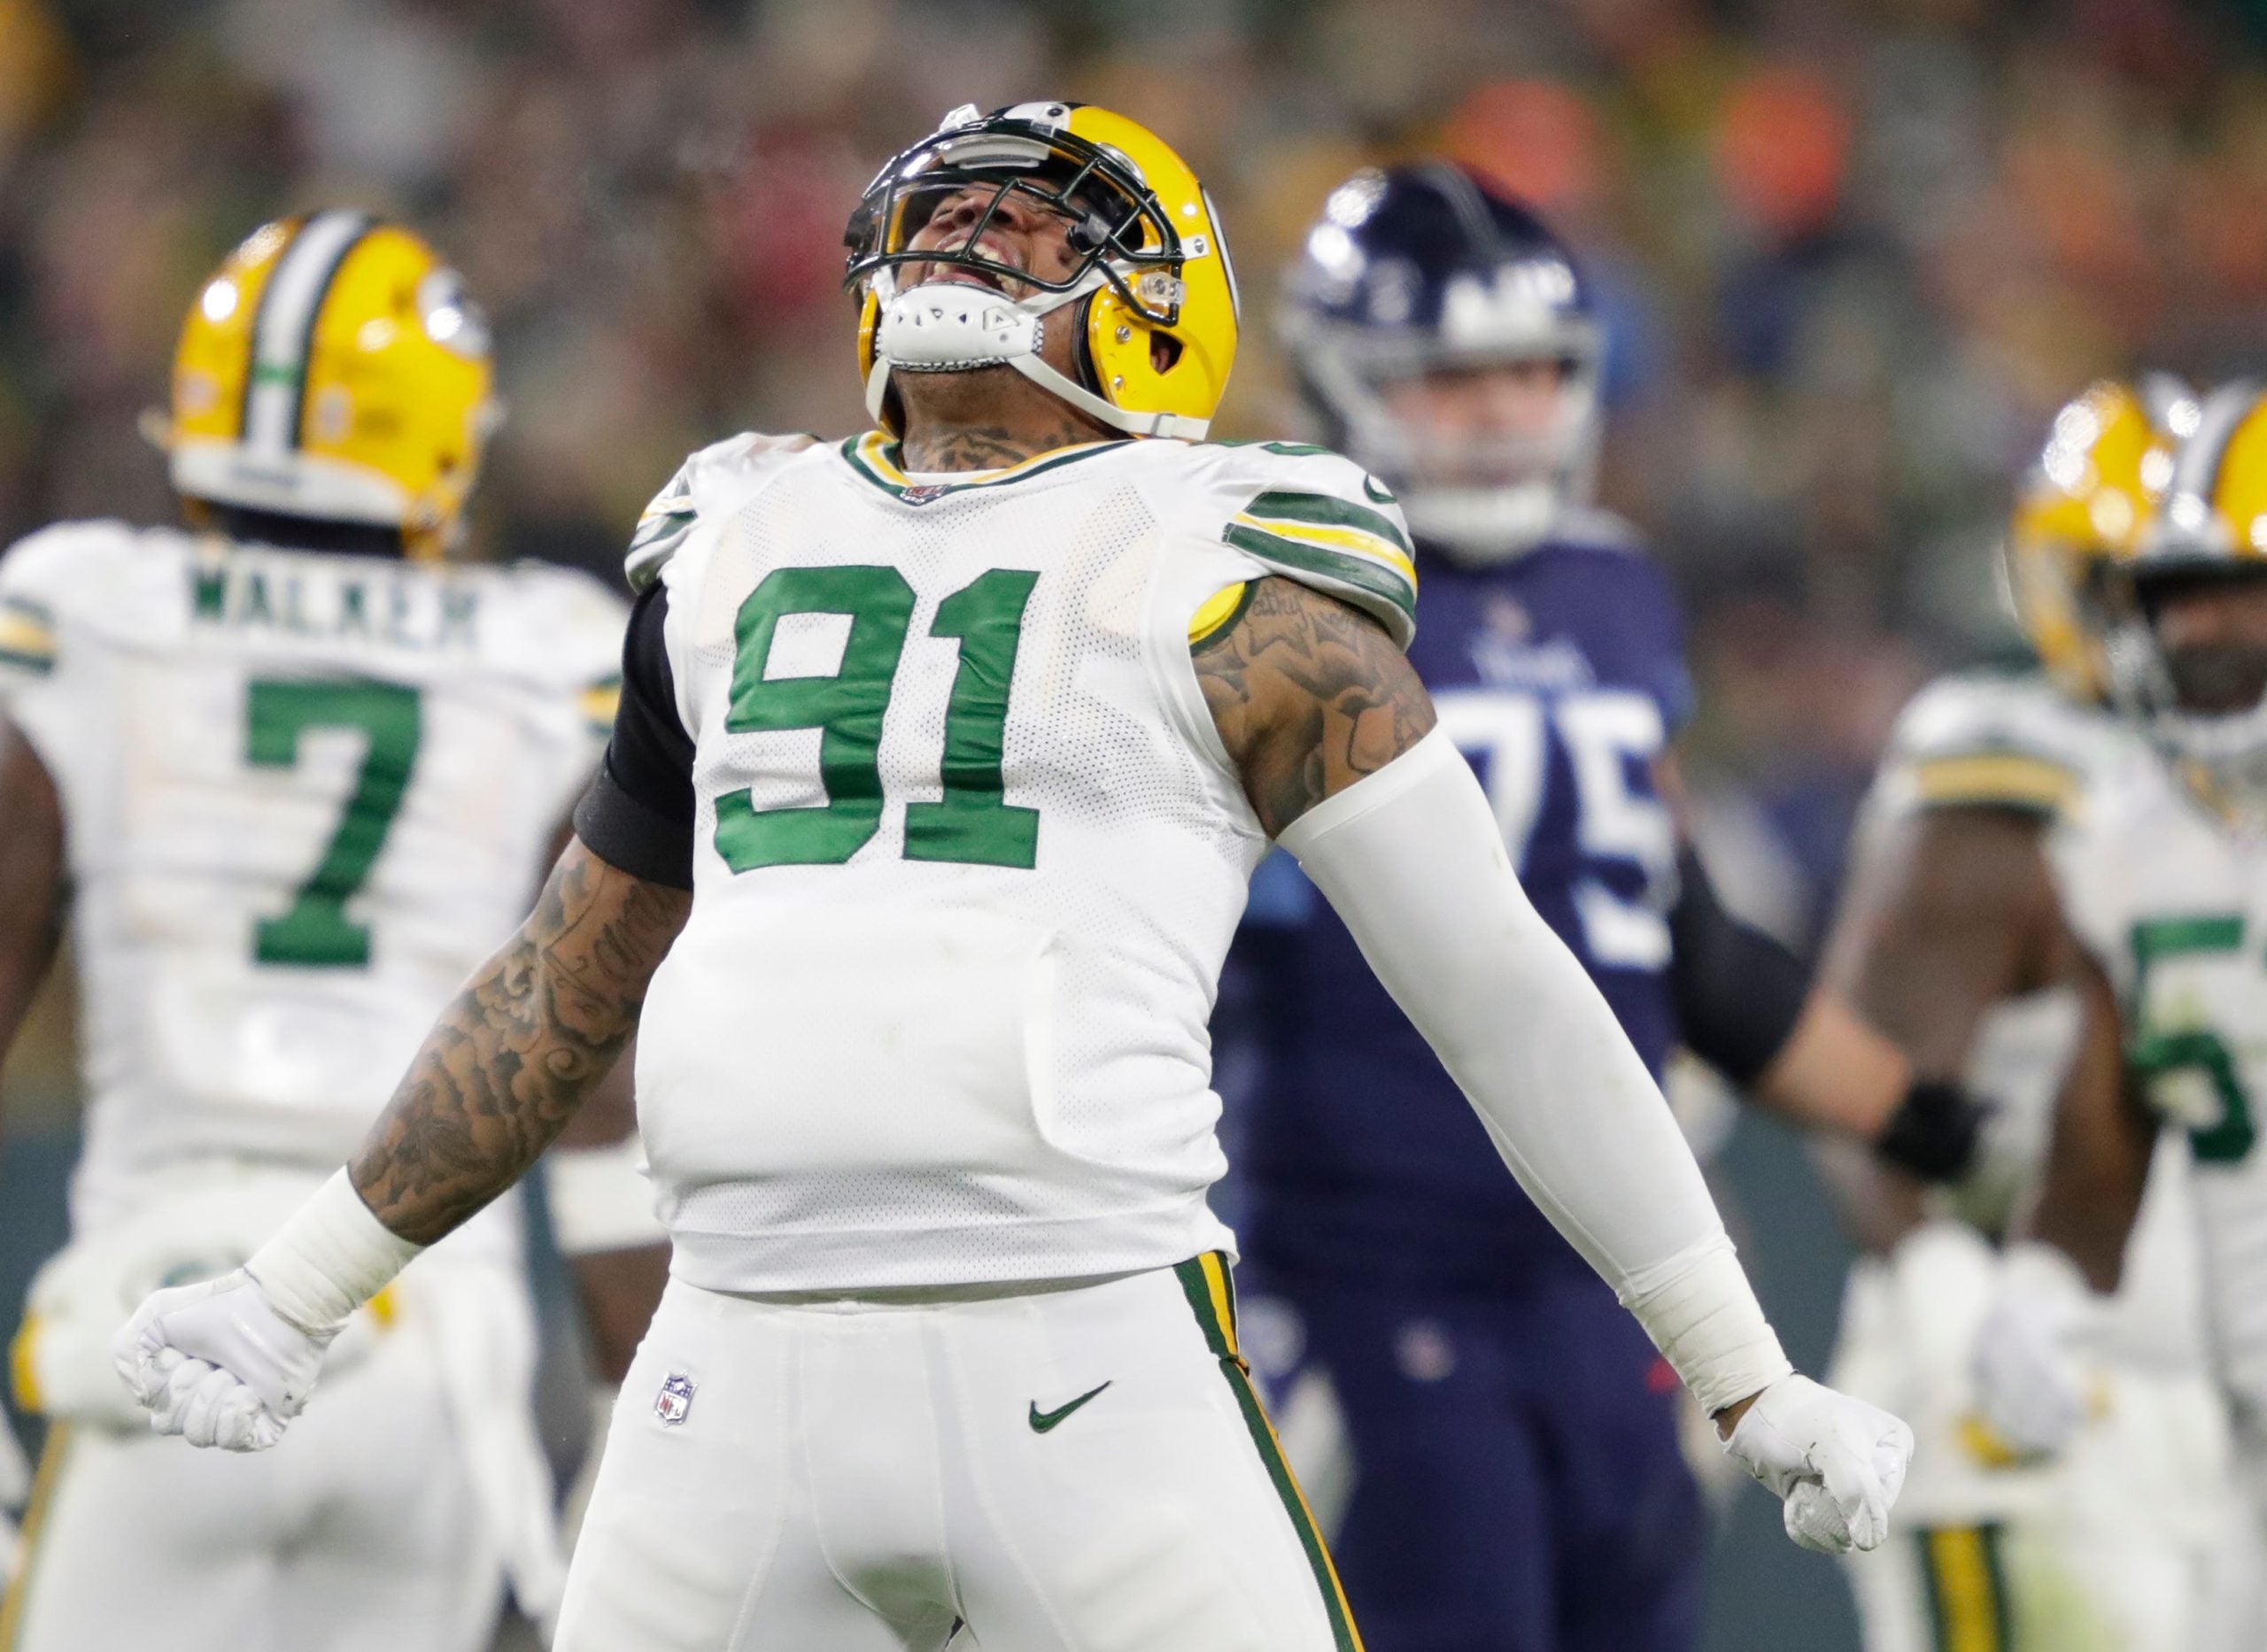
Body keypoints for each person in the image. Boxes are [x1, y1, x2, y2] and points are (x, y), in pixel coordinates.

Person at [112, 104, 1912, 1652]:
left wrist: (1740, 1369)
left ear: (1159, 312)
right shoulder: (733, 539)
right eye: (944, 206)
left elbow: (1507, 994)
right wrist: (294, 1289)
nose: (967, 233)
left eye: (1031, 216)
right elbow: (563, 980)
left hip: (1091, 1342)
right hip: (727, 1356)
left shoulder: (1243, 567)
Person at [1220, 161, 1970, 1652]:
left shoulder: (1616, 592)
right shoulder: (1272, 593)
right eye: (1450, 380)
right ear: (1344, 379)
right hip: (1367, 1270)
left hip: (1613, 1279)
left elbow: (1672, 934)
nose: (1500, 413)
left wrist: (1935, 1128)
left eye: (1526, 373)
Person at [0, 213, 661, 1651]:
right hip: (425, 1328)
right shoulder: (549, 647)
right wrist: (636, 1418)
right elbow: (606, 1091)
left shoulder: (76, 610)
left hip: (151, 1316)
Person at [1813, 375, 2237, 1650]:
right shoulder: (2003, 771)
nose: (2195, 629)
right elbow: (1858, 1082)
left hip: (2192, 1372)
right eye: (2145, 587)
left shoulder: (2227, 797)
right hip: (2018, 1363)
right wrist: (1954, 1302)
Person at [1953, 378, 2267, 1643]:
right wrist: (2038, 1281)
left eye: (2235, 592)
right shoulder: (2127, 844)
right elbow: (2109, 1117)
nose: (2198, 633)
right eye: (2168, 597)